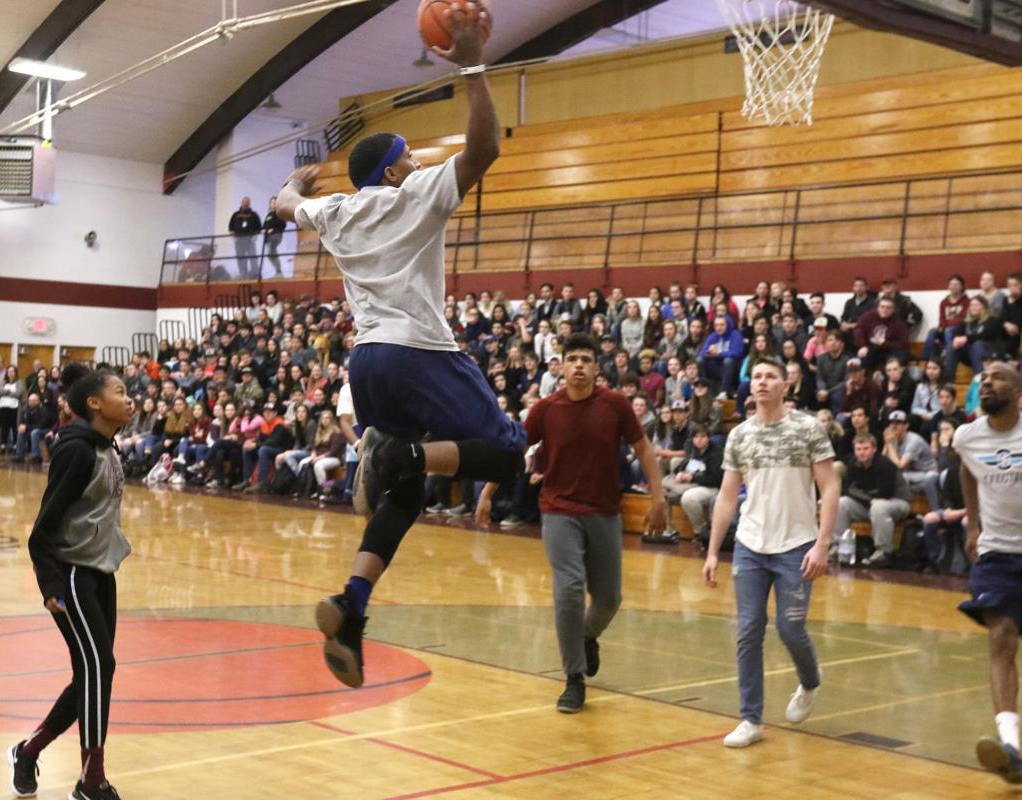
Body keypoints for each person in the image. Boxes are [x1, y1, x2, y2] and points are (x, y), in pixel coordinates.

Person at [277, 6, 528, 689]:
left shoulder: (333, 212)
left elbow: (280, 202)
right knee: (507, 450)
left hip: (368, 364)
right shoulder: (411, 195)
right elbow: (484, 150)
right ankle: (398, 450)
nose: (418, 164)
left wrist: (299, 184)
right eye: (409, 159)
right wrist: (472, 61)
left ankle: (352, 605)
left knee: (407, 494)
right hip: (418, 351)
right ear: (392, 172)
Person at [477, 334, 664, 712]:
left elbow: (644, 449)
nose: (579, 365)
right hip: (558, 510)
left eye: (586, 359)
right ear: (560, 366)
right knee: (569, 589)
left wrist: (660, 499)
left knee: (609, 599)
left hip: (604, 512)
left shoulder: (616, 405)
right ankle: (573, 678)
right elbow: (515, 452)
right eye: (572, 359)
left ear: (597, 367)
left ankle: (587, 637)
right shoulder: (546, 409)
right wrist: (487, 493)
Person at [7, 366, 133, 800]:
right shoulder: (76, 451)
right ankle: (91, 779)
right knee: (101, 668)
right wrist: (50, 586)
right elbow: (43, 527)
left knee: (92, 674)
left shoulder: (108, 446)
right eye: (120, 391)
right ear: (95, 404)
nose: (130, 398)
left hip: (102, 574)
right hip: (73, 576)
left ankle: (29, 751)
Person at [703, 357, 839, 748]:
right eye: (757, 376)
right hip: (750, 545)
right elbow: (728, 497)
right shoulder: (740, 435)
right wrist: (713, 551)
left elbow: (830, 487)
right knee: (748, 630)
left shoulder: (808, 429)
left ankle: (810, 680)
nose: (761, 382)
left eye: (770, 376)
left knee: (791, 629)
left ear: (786, 384)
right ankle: (750, 719)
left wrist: (822, 543)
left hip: (796, 545)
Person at [950, 363, 1022, 783]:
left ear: (1017, 393)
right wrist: (973, 524)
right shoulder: (967, 437)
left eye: (996, 378)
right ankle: (1011, 746)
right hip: (997, 556)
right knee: (1001, 636)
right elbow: (965, 468)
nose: (986, 382)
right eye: (982, 379)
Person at [834, 433, 911, 567]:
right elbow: (846, 489)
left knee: (879, 506)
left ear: (874, 449)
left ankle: (884, 551)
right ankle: (839, 547)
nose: (861, 452)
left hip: (898, 502)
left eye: (865, 449)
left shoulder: (884, 464)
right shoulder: (853, 463)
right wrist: (867, 497)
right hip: (869, 503)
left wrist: (861, 494)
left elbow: (885, 493)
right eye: (858, 449)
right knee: (842, 503)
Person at [228, 196, 262, 279]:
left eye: (247, 202)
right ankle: (243, 274)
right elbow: (230, 227)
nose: (245, 204)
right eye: (244, 202)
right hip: (239, 241)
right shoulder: (235, 215)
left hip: (250, 240)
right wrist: (233, 236)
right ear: (241, 203)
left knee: (252, 256)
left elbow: (259, 227)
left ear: (249, 204)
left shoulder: (254, 215)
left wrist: (255, 235)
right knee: (241, 257)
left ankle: (254, 274)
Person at [262, 196, 287, 277]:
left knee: (271, 252)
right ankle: (278, 271)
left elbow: (282, 225)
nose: (273, 204)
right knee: (270, 254)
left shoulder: (279, 213)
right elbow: (264, 225)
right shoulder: (268, 215)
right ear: (269, 205)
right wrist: (263, 230)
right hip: (268, 238)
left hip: (276, 236)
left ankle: (279, 272)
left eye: (275, 202)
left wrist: (273, 229)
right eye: (272, 203)